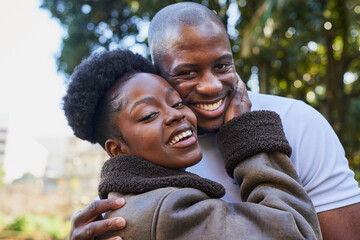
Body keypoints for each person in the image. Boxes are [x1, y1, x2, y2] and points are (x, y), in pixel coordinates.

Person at [68, 2, 360, 239]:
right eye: (188, 72)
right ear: (158, 75)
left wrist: (247, 134)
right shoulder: (148, 157)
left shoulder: (296, 121)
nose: (211, 86)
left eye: (222, 66)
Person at [63, 49, 321, 239]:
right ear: (117, 150)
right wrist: (248, 138)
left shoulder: (137, 203)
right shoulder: (167, 212)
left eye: (177, 103)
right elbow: (297, 232)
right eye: (149, 115)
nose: (175, 114)